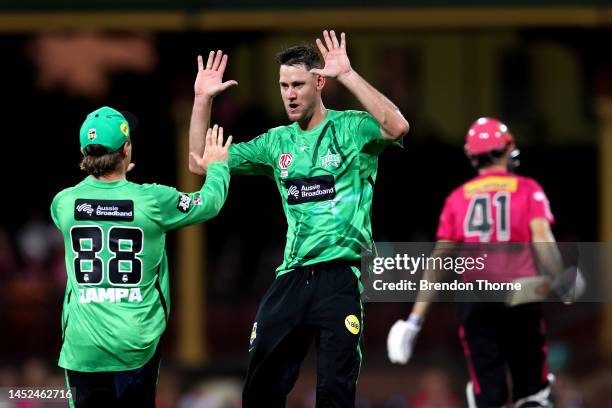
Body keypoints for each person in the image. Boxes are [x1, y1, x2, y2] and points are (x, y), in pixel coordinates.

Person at [189, 30, 409, 407]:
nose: (289, 94)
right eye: (283, 85)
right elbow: (199, 162)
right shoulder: (276, 142)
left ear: (320, 82)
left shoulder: (352, 128)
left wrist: (349, 74)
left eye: (298, 85)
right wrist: (201, 100)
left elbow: (397, 126)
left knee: (335, 392)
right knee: (259, 389)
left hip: (340, 277)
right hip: (292, 277)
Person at [51, 106, 231, 407]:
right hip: (135, 343)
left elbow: (97, 203)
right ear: (126, 149)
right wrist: (218, 167)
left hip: (82, 347)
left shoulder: (64, 203)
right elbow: (208, 203)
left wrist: (114, 179)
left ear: (84, 151)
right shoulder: (153, 200)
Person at [387, 117, 560, 408]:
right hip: (521, 297)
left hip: (477, 300)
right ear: (507, 150)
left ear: (472, 155)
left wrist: (414, 320)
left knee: (487, 396)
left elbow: (439, 260)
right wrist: (562, 276)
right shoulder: (528, 189)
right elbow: (542, 238)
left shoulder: (457, 199)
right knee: (532, 394)